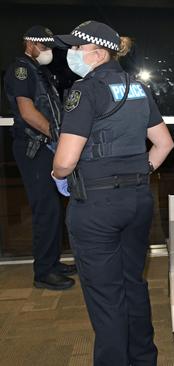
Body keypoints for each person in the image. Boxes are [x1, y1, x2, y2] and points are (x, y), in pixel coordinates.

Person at [51, 21, 174, 365]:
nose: (71, 54)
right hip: (137, 201)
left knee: (106, 297)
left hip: (97, 206)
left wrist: (57, 172)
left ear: (98, 53)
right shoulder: (137, 87)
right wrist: (140, 172)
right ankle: (143, 358)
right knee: (132, 284)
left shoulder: (85, 91)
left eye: (77, 48)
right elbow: (164, 144)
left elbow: (65, 160)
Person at [3, 25, 77, 290]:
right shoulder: (21, 70)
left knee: (53, 209)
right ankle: (44, 272)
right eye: (43, 47)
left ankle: (52, 262)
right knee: (44, 209)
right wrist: (56, 138)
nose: (47, 52)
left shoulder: (39, 70)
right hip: (33, 148)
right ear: (29, 44)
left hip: (45, 146)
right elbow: (27, 112)